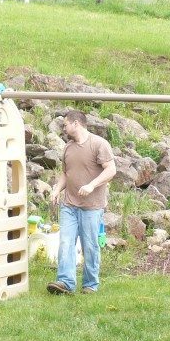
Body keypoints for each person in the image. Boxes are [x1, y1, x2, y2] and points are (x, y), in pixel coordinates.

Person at [47, 110, 116, 295]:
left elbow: (111, 170)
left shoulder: (99, 144)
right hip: (69, 205)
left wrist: (92, 185)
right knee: (66, 242)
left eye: (66, 124)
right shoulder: (68, 147)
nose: (64, 127)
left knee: (90, 246)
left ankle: (90, 284)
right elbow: (65, 173)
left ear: (76, 124)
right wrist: (56, 190)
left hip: (92, 207)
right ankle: (65, 282)